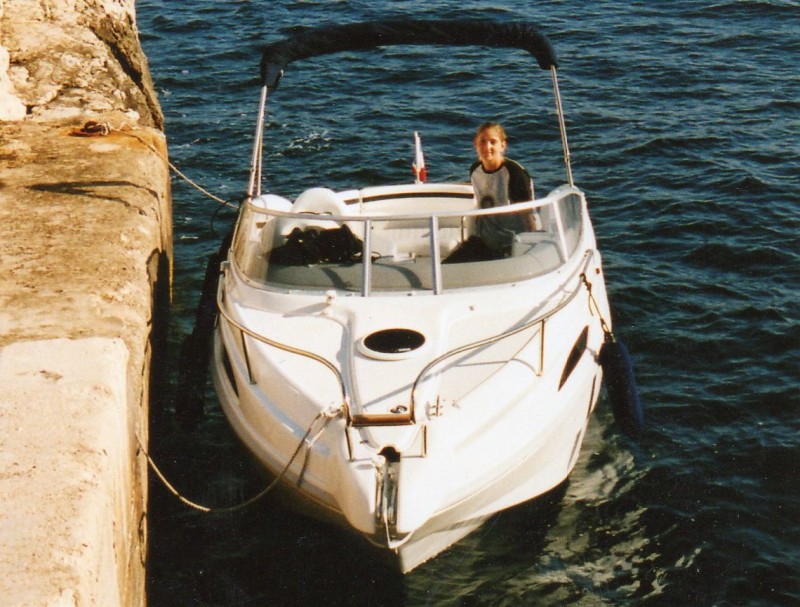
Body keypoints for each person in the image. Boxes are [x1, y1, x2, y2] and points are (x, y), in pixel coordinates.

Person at [445, 122, 536, 262]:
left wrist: (531, 249)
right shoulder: (475, 170)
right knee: (447, 266)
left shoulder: (515, 173)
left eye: (493, 142)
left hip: (511, 244)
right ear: (476, 144)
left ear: (503, 145)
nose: (487, 147)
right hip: (484, 242)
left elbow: (528, 215)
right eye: (482, 142)